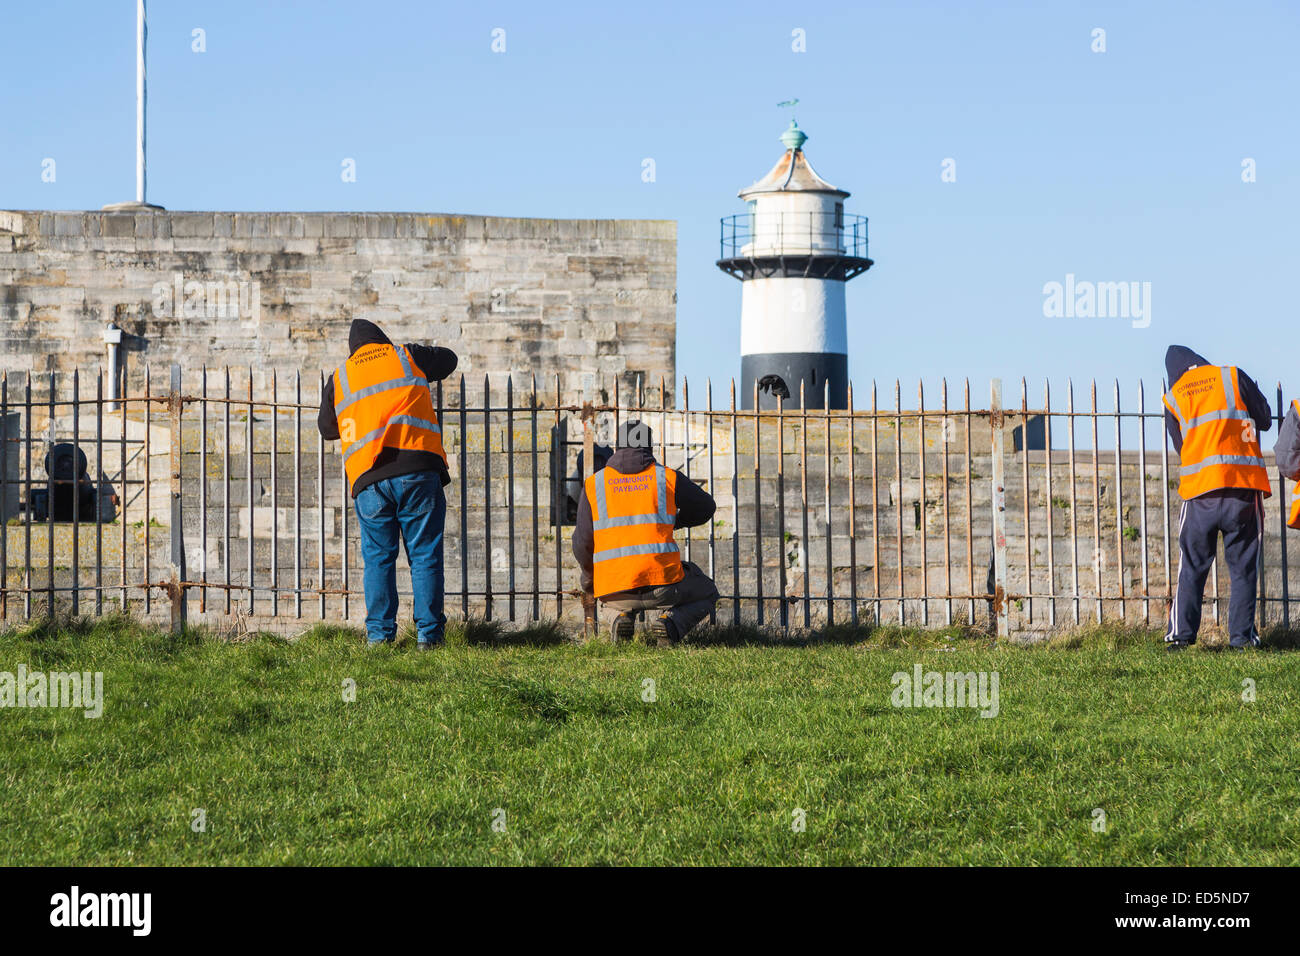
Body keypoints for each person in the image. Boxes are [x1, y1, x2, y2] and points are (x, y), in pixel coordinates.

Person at [318, 319, 457, 648]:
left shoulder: (341, 377)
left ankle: (379, 638)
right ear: (382, 340)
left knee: (378, 559)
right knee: (424, 556)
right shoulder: (405, 356)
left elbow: (327, 429)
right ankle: (429, 637)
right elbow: (449, 359)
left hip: (371, 479)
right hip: (418, 468)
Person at [1161, 345, 1272, 651]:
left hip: (1200, 494)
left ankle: (1181, 638)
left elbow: (1182, 447)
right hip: (1242, 489)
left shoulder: (1175, 396)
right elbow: (1264, 418)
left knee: (1192, 566)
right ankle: (1241, 639)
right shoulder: (1232, 377)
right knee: (1243, 568)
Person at [572, 420, 719, 645]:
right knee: (707, 590)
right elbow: (706, 507)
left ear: (616, 447)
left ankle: (618, 618)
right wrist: (676, 522)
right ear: (649, 447)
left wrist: (590, 580)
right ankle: (669, 624)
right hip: (662, 587)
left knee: (610, 594)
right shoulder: (666, 477)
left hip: (615, 590)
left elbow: (582, 542)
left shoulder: (594, 484)